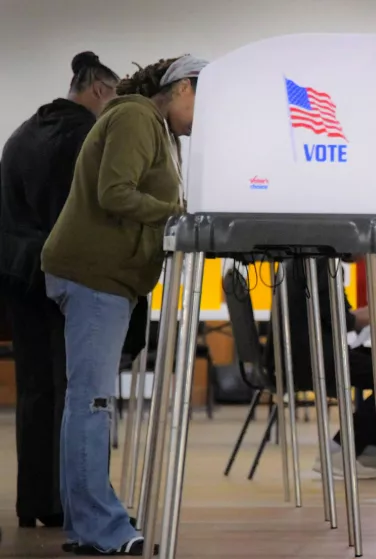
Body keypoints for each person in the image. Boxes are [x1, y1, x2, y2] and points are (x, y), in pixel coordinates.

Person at [40, 54, 207, 556]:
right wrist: (179, 213)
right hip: (96, 275)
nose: (207, 116)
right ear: (180, 89)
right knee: (92, 404)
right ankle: (102, 529)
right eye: (204, 100)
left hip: (101, 276)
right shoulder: (136, 116)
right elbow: (115, 193)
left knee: (83, 402)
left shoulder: (152, 126)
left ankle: (84, 523)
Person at [0, 51, 119, 530]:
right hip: (59, 278)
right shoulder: (81, 138)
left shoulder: (25, 131)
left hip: (16, 278)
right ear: (98, 91)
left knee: (35, 391)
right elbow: (77, 218)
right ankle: (69, 502)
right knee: (73, 392)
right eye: (114, 99)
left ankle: (35, 501)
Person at [267, 257, 376, 479]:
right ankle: (340, 450)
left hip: (299, 355)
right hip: (313, 360)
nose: (364, 254)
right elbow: (343, 321)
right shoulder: (322, 264)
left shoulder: (307, 259)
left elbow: (337, 317)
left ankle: (370, 451)